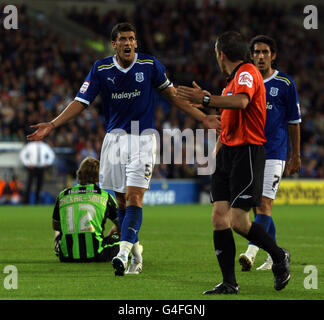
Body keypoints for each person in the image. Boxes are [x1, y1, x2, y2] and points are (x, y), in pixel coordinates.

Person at [27, 22, 207, 275]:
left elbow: (173, 95)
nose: (128, 43)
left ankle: (122, 254)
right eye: (123, 39)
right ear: (114, 44)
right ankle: (135, 253)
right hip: (114, 140)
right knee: (121, 202)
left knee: (135, 197)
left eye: (132, 38)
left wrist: (203, 118)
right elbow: (81, 101)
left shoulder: (150, 65)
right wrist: (53, 124)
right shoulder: (100, 68)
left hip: (143, 138)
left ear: (136, 42)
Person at [177, 31, 290, 294]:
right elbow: (229, 118)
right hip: (227, 155)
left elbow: (242, 102)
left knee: (239, 221)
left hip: (247, 153)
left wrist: (205, 100)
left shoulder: (246, 73)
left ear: (221, 54)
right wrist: (217, 152)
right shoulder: (230, 83)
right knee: (219, 218)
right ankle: (229, 282)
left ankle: (278, 255)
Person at [238, 35, 301, 271]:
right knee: (257, 208)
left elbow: (294, 121)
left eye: (265, 52)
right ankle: (277, 254)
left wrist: (295, 155)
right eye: (256, 52)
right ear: (251, 55)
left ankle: (251, 252)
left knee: (264, 206)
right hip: (249, 152)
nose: (261, 56)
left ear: (273, 55)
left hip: (275, 153)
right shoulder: (245, 81)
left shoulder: (285, 83)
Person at [52, 156, 121, 262]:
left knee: (58, 233)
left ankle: (63, 248)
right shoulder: (104, 196)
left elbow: (55, 225)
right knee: (125, 233)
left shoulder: (63, 195)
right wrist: (111, 233)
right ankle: (134, 252)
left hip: (67, 256)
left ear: (79, 173)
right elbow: (122, 224)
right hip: (97, 254)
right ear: (98, 176)